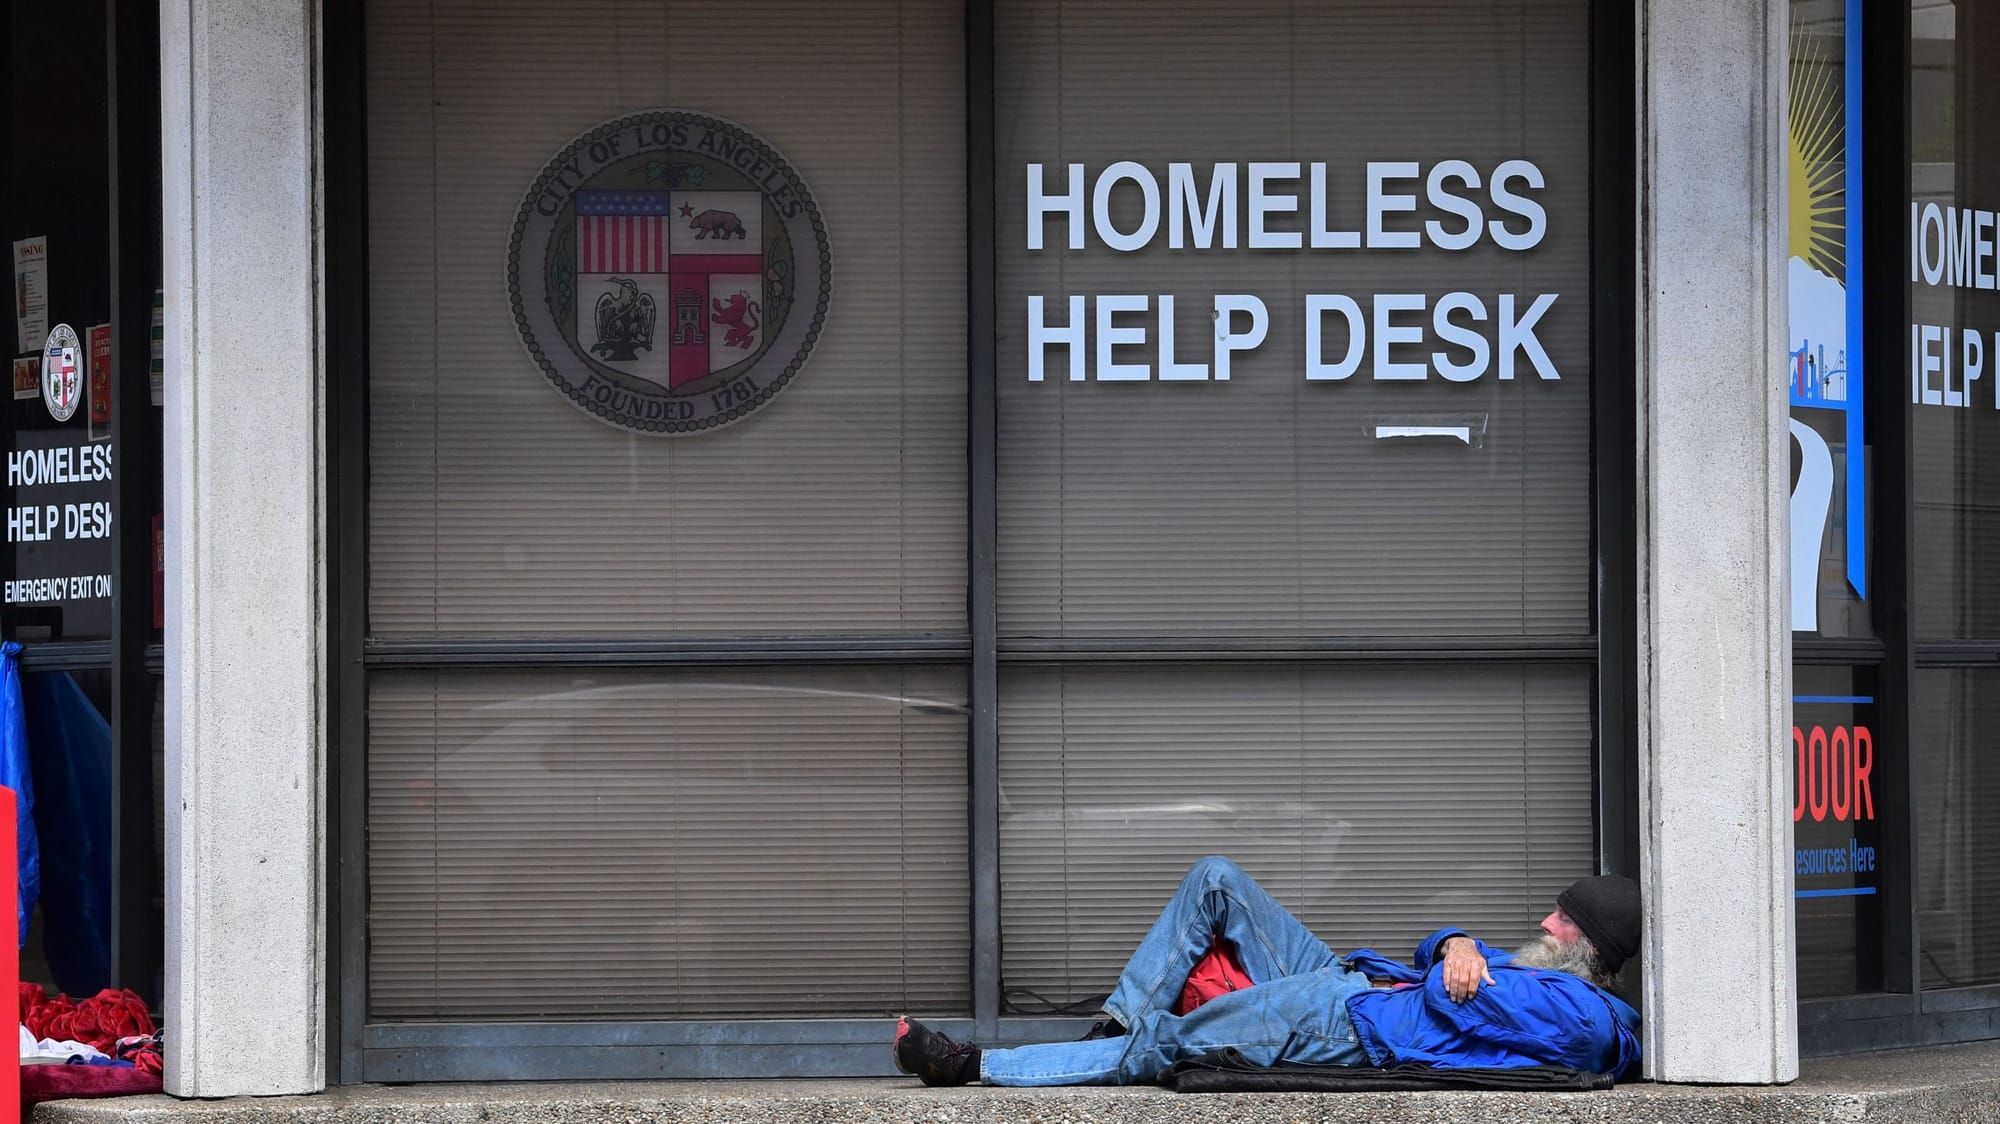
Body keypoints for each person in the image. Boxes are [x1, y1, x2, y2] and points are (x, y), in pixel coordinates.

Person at [894, 855, 1641, 1087]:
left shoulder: (1584, 1019)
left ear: (1591, 950)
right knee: (1216, 880)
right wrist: (1455, 940)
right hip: (1353, 980)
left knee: (1172, 1040)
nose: (1547, 923)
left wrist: (1460, 956)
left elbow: (1462, 1004)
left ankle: (976, 1066)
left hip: (1345, 1025)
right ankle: (1116, 1026)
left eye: (1564, 920)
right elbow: (1440, 963)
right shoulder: (1550, 983)